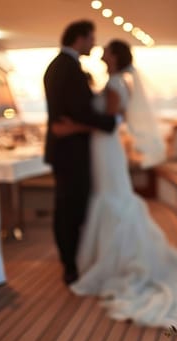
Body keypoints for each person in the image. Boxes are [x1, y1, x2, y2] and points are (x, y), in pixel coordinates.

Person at [51, 39, 177, 328]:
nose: (101, 51)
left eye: (106, 50)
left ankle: (118, 262)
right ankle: (105, 258)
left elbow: (111, 119)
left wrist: (71, 126)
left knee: (112, 198)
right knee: (107, 197)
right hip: (101, 147)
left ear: (115, 56)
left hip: (106, 146)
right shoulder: (113, 80)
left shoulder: (118, 83)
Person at [43, 20, 119, 285]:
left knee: (71, 208)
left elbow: (75, 111)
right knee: (69, 210)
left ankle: (73, 260)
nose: (94, 44)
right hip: (69, 152)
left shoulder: (61, 65)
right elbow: (80, 110)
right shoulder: (67, 67)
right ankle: (70, 266)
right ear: (80, 38)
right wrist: (110, 123)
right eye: (91, 38)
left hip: (68, 149)